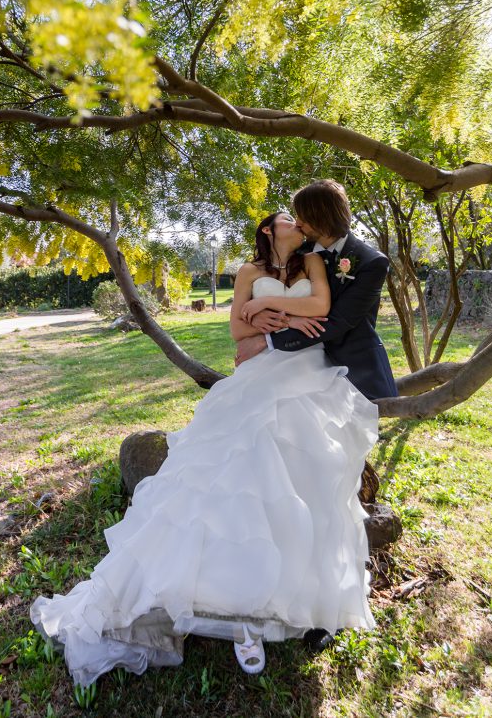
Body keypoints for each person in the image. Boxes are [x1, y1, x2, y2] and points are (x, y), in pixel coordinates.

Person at [30, 211, 379, 686]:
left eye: (300, 219)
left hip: (307, 372)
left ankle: (298, 601)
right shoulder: (249, 273)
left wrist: (264, 318)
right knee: (234, 476)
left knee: (303, 475)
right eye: (286, 219)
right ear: (267, 231)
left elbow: (319, 309)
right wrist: (250, 317)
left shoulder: (313, 263)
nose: (297, 224)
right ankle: (239, 613)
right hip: (258, 375)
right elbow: (237, 334)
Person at [234, 180, 399, 403]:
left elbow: (338, 321)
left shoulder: (371, 262)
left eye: (302, 216)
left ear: (321, 216)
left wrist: (267, 340)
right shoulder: (299, 250)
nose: (298, 223)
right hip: (289, 363)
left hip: (349, 363)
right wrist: (260, 316)